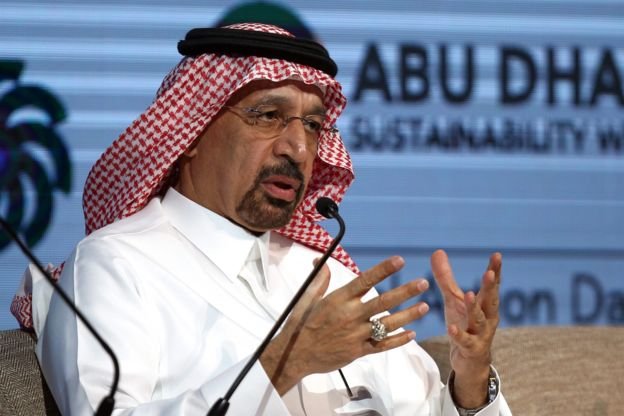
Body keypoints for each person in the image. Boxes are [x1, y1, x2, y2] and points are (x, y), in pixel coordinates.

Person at [21, 23, 512, 415]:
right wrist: (285, 363)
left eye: (313, 125)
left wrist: (470, 383)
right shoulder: (115, 265)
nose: (298, 148)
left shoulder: (323, 270)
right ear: (191, 133)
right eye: (267, 116)